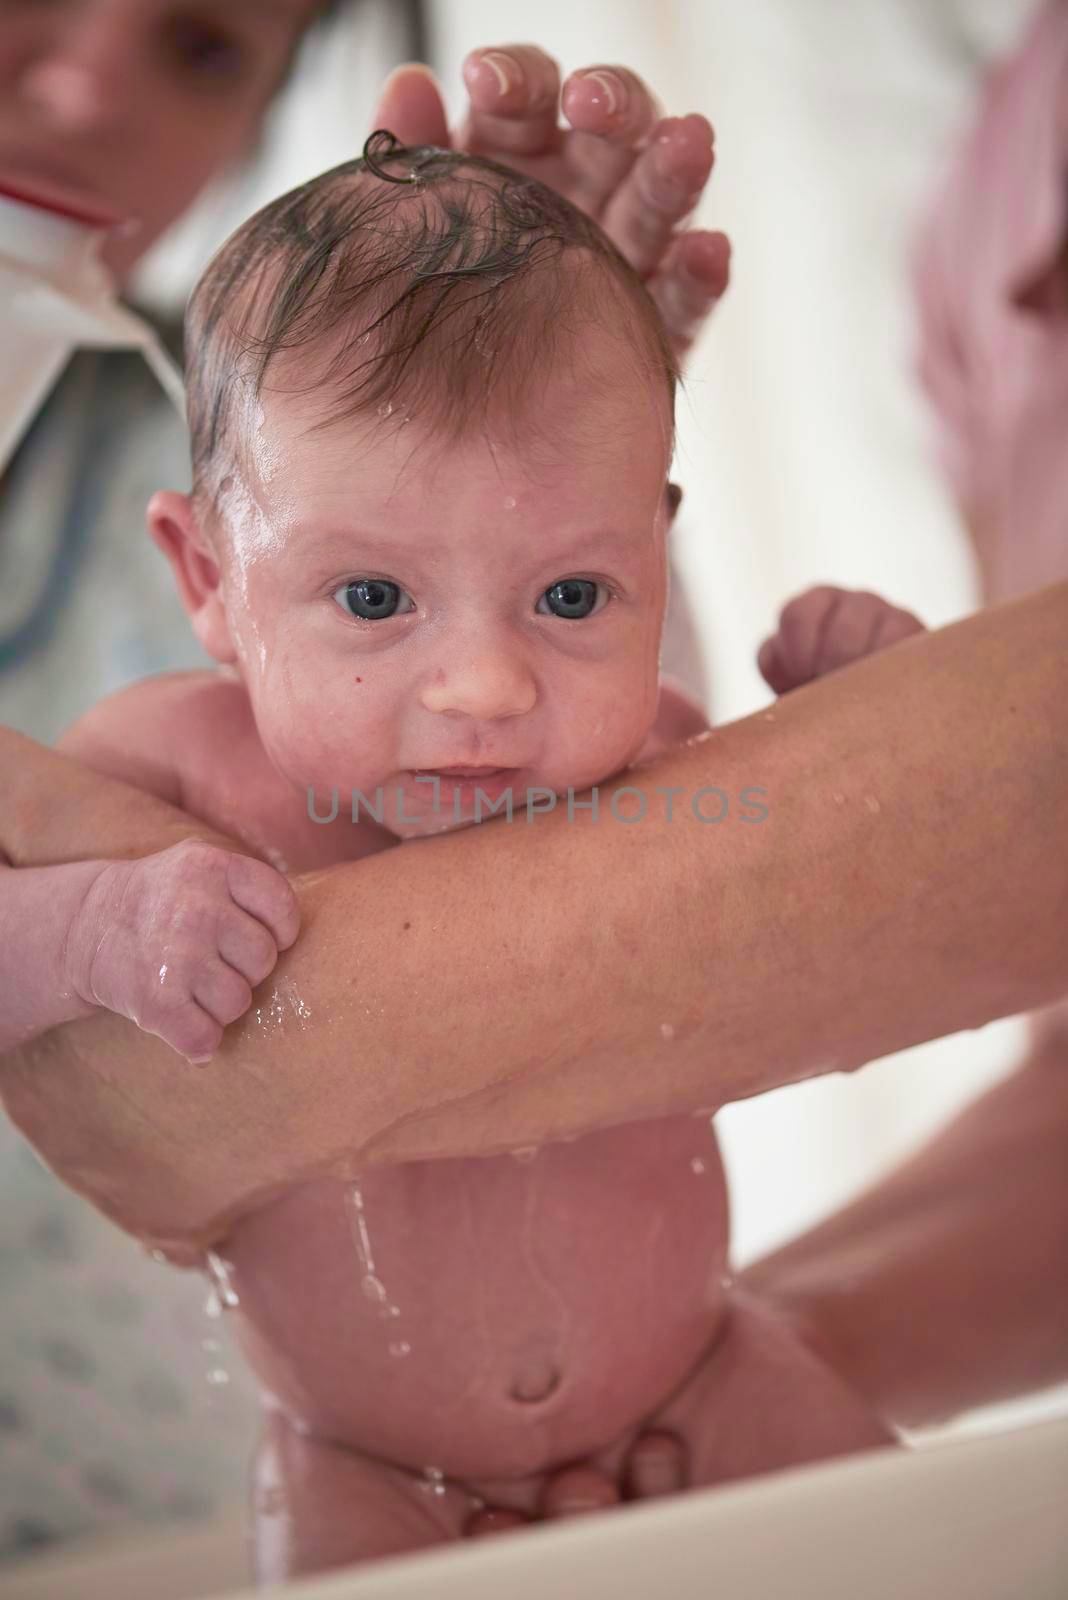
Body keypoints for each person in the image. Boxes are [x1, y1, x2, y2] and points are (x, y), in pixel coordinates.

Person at [4, 135, 919, 1575]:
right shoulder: (165, 774)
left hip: (713, 1381)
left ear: (652, 556)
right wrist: (95, 935)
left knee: (927, 1554)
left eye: (571, 592)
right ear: (210, 584)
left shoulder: (650, 755)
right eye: (373, 596)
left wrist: (859, 726)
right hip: (365, 1466)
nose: (486, 689)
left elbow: (858, 914)